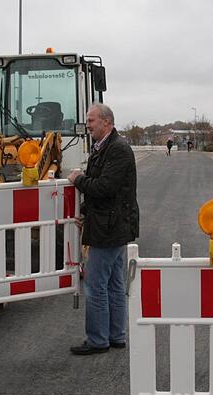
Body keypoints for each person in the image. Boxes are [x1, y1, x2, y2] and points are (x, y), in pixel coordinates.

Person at [67, 103, 139, 355]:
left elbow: (105, 188)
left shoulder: (117, 149)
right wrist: (85, 212)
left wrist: (78, 180)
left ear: (107, 122)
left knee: (96, 285)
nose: (88, 125)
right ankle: (115, 336)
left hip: (110, 228)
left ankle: (98, 340)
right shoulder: (104, 148)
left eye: (91, 120)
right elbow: (104, 193)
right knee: (114, 284)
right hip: (111, 224)